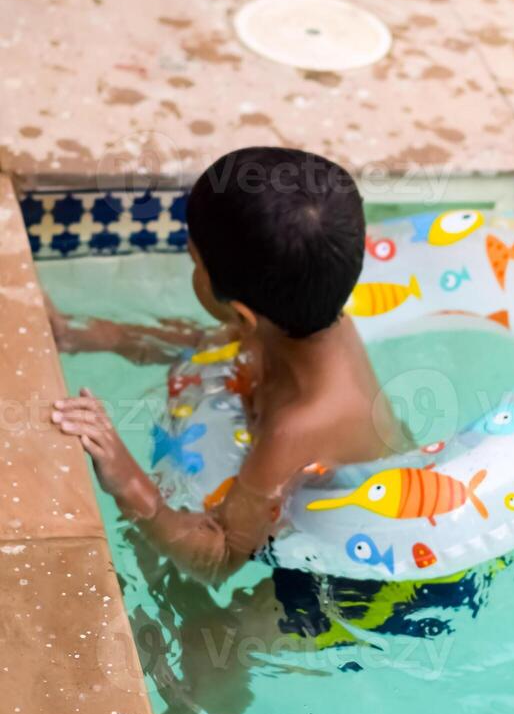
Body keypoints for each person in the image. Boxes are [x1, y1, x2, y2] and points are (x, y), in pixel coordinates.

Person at [51, 147, 406, 585]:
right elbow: (208, 346)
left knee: (207, 626)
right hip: (301, 467)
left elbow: (219, 559)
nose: (192, 268)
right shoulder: (295, 319)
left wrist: (127, 481)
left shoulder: (295, 427)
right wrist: (88, 334)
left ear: (242, 313)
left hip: (366, 572)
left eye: (194, 263)